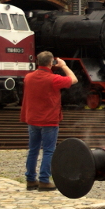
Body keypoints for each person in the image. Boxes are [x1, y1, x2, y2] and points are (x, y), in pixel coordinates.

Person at [20, 51, 77, 192]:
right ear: (51, 63)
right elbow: (74, 79)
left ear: (38, 62)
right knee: (48, 151)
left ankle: (30, 180)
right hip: (49, 120)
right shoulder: (53, 79)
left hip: (32, 119)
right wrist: (63, 66)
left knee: (33, 150)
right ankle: (44, 181)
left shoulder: (28, 77)